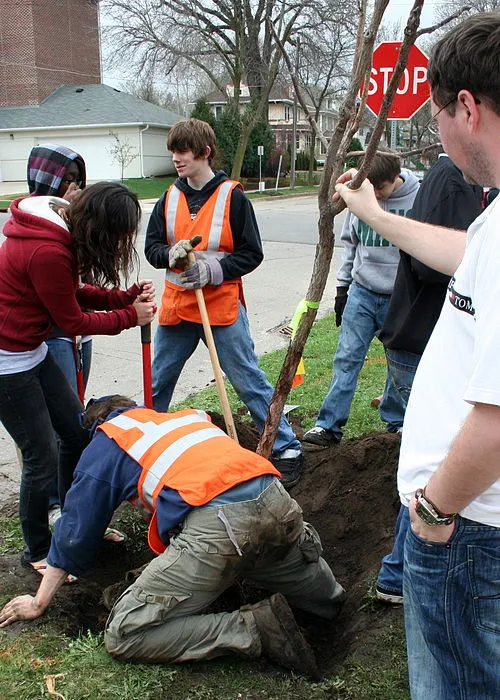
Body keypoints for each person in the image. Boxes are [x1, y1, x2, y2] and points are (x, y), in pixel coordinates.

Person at [334, 13, 500, 699]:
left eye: (436, 113)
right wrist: (375, 215)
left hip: (469, 533)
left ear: (466, 106)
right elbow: (467, 257)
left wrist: (433, 514)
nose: (436, 131)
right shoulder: (493, 220)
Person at [0, 395, 346, 678]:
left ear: (97, 426)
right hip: (279, 504)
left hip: (223, 529)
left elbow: (74, 531)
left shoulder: (108, 441)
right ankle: (327, 599)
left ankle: (255, 627)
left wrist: (38, 601)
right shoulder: (186, 419)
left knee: (125, 634)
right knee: (325, 602)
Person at [0, 182, 156, 577]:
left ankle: (76, 522)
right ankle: (37, 549)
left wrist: (121, 298)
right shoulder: (48, 249)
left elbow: (72, 293)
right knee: (41, 456)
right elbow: (70, 320)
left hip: (29, 351)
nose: (121, 245)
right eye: (119, 236)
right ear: (100, 227)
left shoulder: (58, 233)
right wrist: (128, 318)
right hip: (7, 363)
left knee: (76, 432)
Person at [145, 118, 303, 488]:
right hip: (177, 308)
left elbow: (252, 253)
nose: (176, 158)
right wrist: (171, 254)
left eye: (182, 151)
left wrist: (212, 270)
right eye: (173, 151)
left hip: (221, 306)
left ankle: (287, 447)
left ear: (205, 152)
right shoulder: (169, 198)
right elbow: (152, 248)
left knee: (247, 379)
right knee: (158, 382)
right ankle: (146, 448)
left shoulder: (232, 197)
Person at [375, 154, 483, 604]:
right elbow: (429, 264)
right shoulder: (454, 181)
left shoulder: (461, 183)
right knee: (434, 462)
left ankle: (397, 573)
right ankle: (397, 574)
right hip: (419, 338)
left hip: (420, 338)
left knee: (427, 454)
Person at [302, 150, 419, 447]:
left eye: (382, 189)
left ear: (396, 178)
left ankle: (398, 422)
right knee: (346, 358)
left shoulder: (418, 199)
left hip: (400, 297)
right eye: (372, 189)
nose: (376, 197)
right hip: (362, 292)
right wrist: (342, 288)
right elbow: (350, 246)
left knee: (398, 363)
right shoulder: (361, 196)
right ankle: (328, 426)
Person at [26, 143, 93, 526]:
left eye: (79, 180)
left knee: (75, 417)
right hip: (52, 333)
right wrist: (122, 315)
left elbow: (83, 282)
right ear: (45, 181)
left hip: (76, 327)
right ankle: (53, 503)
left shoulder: (74, 221)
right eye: (66, 180)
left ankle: (73, 501)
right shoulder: (38, 225)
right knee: (59, 423)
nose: (74, 188)